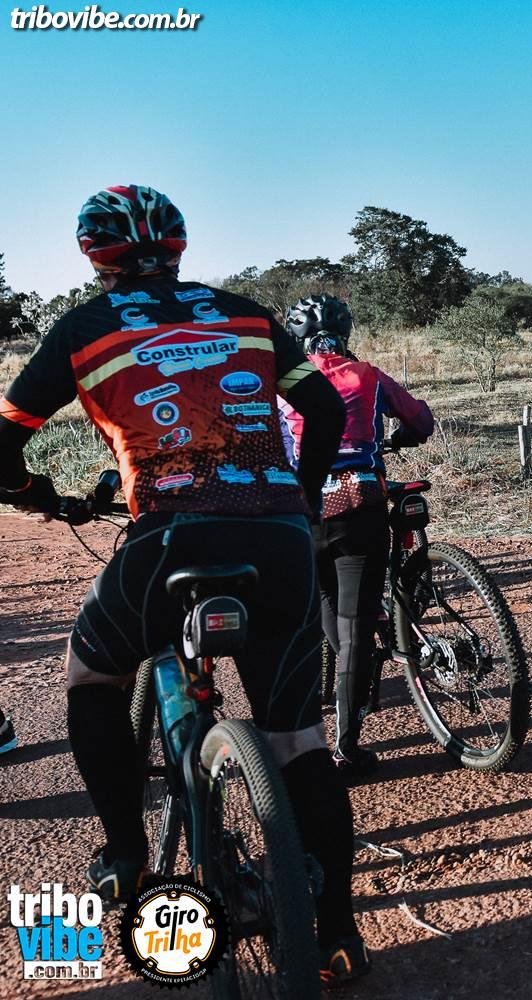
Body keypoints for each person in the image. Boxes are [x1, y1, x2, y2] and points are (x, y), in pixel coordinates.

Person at [0, 185, 371, 984]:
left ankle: (126, 853)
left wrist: (36, 496)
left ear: (93, 257)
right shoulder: (245, 314)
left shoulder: (85, 327)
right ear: (178, 246)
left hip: (168, 536)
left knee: (92, 675)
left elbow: (2, 445)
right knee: (298, 741)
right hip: (278, 537)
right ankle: (340, 932)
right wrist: (301, 502)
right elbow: (323, 412)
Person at [279, 294, 433, 777]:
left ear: (296, 337)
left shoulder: (279, 384)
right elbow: (421, 421)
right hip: (359, 504)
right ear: (346, 332)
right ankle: (347, 748)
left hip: (301, 513)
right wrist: (401, 437)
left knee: (328, 607)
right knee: (355, 629)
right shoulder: (368, 375)